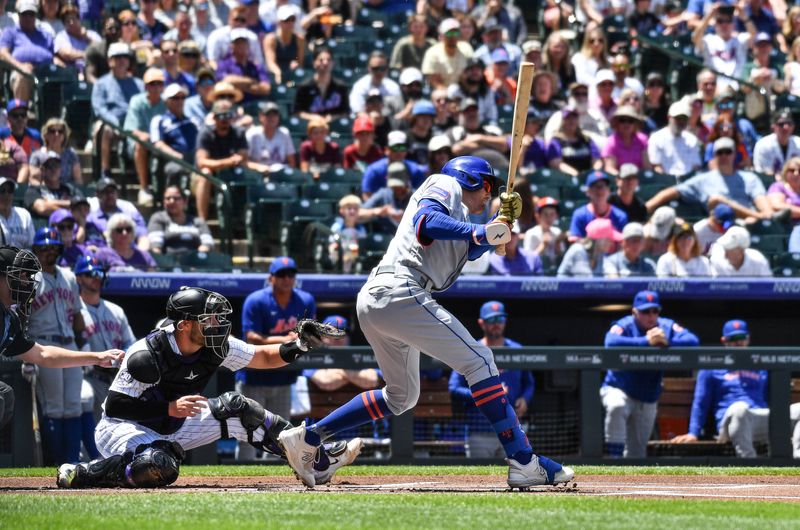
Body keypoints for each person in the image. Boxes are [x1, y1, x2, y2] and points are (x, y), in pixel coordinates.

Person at [276, 156, 574, 489]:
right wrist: (481, 232)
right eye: (488, 186)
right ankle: (523, 460)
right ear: (470, 179)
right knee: (481, 361)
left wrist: (496, 227)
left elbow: (468, 247)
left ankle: (311, 437)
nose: (489, 194)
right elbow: (426, 221)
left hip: (382, 298)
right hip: (400, 289)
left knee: (401, 397)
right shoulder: (446, 184)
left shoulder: (459, 216)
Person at [56, 286, 362, 489]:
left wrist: (300, 344)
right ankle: (83, 473)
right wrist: (168, 408)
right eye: (209, 319)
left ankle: (315, 460)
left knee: (239, 409)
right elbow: (116, 408)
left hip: (173, 424)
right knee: (159, 463)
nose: (216, 324)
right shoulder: (145, 355)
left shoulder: (215, 344)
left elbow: (263, 357)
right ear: (184, 325)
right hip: (124, 428)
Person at [0, 246, 122, 432]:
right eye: (19, 276)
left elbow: (43, 354)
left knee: (4, 396)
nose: (25, 282)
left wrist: (97, 357)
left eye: (26, 276)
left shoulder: (9, 318)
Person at [670, 319, 800, 458]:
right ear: (724, 340)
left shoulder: (759, 364)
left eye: (742, 338)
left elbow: (771, 398)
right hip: (730, 422)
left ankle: (797, 460)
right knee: (740, 408)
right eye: (733, 338)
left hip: (758, 418)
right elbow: (700, 402)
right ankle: (749, 465)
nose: (738, 343)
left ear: (748, 339)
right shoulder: (711, 366)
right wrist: (693, 433)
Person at [602, 290, 700, 458]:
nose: (651, 315)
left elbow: (693, 340)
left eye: (655, 311)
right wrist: (646, 341)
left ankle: (625, 481)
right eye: (645, 311)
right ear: (634, 312)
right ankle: (614, 458)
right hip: (619, 388)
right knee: (616, 406)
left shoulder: (666, 326)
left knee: (637, 455)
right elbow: (610, 341)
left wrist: (668, 342)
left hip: (647, 397)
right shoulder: (625, 325)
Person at [237, 257, 315, 461]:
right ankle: (241, 475)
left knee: (282, 435)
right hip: (255, 376)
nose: (287, 279)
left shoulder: (305, 300)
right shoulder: (256, 300)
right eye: (281, 274)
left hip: (283, 377)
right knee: (247, 431)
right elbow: (251, 337)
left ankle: (275, 479)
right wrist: (285, 339)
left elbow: (309, 334)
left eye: (291, 274)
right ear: (271, 278)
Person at [28, 227, 87, 465]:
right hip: (44, 344)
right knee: (54, 408)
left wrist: (85, 345)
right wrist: (27, 356)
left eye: (53, 248)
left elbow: (78, 316)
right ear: (36, 250)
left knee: (73, 406)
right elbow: (22, 318)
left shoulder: (69, 277)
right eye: (44, 248)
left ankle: (72, 463)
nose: (49, 252)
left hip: (69, 345)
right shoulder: (30, 278)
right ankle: (55, 464)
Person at [449, 301, 534, 458]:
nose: (496, 324)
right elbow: (454, 388)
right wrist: (488, 394)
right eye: (491, 320)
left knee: (519, 473)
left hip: (512, 428)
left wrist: (525, 399)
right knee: (478, 478)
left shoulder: (516, 349)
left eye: (499, 320)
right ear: (481, 323)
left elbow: (529, 383)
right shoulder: (471, 349)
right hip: (479, 429)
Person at [74, 255, 135, 456]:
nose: (96, 277)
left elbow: (131, 343)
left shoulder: (116, 311)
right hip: (88, 375)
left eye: (99, 273)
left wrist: (125, 356)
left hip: (117, 377)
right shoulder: (75, 311)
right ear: (78, 278)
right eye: (90, 274)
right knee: (85, 398)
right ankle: (83, 458)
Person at [647, 138, 777, 222]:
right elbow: (674, 191)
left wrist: (767, 213)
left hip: (748, 223)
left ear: (734, 154)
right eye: (720, 153)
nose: (724, 156)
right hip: (718, 224)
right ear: (714, 156)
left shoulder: (749, 177)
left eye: (727, 152)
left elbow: (761, 200)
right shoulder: (704, 179)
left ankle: (758, 218)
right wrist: (649, 205)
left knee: (756, 219)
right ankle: (757, 217)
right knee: (716, 200)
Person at [91, 43, 144, 181]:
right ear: (110, 61)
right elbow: (99, 108)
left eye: (125, 57)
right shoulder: (101, 83)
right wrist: (115, 124)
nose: (121, 61)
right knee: (106, 130)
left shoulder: (139, 84)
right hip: (112, 124)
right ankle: (105, 171)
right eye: (117, 57)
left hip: (134, 125)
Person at [194, 99, 251, 220]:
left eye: (228, 115)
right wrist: (228, 162)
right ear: (214, 118)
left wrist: (231, 161)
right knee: (206, 173)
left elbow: (243, 156)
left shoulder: (238, 132)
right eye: (221, 116)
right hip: (207, 176)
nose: (225, 120)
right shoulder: (205, 133)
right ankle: (202, 221)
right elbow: (202, 162)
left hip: (230, 173)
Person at [0, 0, 59, 101]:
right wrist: (20, 67)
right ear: (18, 15)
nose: (28, 17)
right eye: (24, 14)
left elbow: (54, 57)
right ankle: (21, 114)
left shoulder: (45, 35)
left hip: (46, 74)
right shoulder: (10, 32)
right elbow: (2, 54)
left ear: (36, 16)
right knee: (23, 77)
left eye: (31, 14)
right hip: (21, 72)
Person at [693, 3, 754, 92]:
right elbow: (695, 37)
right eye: (720, 21)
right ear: (715, 24)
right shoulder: (709, 40)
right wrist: (708, 16)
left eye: (728, 20)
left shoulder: (740, 39)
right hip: (713, 90)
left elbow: (754, 34)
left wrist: (744, 16)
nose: (724, 24)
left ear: (733, 24)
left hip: (738, 90)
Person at [150, 83, 199, 184]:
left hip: (195, 159)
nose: (180, 101)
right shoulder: (159, 120)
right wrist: (177, 156)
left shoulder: (193, 120)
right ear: (166, 101)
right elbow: (158, 144)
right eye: (175, 98)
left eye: (182, 98)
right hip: (173, 161)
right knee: (176, 169)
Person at [147, 186, 214, 256]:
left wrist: (199, 253)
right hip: (167, 263)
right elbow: (155, 247)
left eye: (176, 198)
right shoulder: (158, 218)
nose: (171, 201)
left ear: (185, 201)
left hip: (195, 262)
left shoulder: (198, 221)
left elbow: (208, 243)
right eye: (167, 198)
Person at [86, 178, 149, 251]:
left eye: (113, 191)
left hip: (130, 256)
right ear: (97, 194)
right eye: (105, 192)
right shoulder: (91, 218)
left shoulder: (129, 213)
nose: (110, 195)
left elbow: (143, 237)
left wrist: (140, 254)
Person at [361, 131, 427, 199]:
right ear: (386, 150)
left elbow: (422, 196)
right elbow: (367, 197)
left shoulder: (415, 170)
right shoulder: (373, 171)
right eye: (395, 147)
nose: (398, 152)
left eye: (402, 147)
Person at [293, 45, 349, 123]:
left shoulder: (340, 87)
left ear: (333, 63)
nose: (325, 63)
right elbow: (297, 112)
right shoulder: (304, 87)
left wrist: (333, 117)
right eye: (321, 60)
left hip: (335, 130)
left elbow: (346, 112)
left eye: (328, 60)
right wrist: (313, 117)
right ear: (314, 63)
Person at [24, 151, 84, 223]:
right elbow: (42, 208)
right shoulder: (33, 190)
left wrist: (51, 202)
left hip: (69, 230)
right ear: (43, 170)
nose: (53, 169)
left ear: (61, 169)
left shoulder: (70, 189)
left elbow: (82, 207)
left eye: (56, 166)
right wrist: (71, 209)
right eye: (50, 166)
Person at [568, 170, 628, 241]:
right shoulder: (580, 214)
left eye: (603, 186)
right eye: (595, 186)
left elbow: (624, 242)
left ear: (609, 191)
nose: (600, 190)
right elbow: (574, 240)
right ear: (588, 191)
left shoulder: (620, 216)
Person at [215, 29, 271, 104]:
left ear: (248, 45)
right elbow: (226, 81)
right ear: (232, 46)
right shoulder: (224, 64)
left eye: (243, 43)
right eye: (238, 43)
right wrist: (251, 81)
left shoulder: (256, 66)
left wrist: (239, 86)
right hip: (233, 104)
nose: (241, 46)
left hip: (255, 104)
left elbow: (266, 88)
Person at [648, 102, 702, 177]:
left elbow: (696, 166)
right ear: (669, 117)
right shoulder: (656, 138)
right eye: (678, 118)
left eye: (684, 119)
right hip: (666, 180)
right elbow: (656, 166)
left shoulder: (692, 139)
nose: (681, 122)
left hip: (688, 181)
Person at [546, 107, 602, 176]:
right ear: (563, 121)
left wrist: (594, 173)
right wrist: (576, 175)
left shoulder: (586, 139)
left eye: (574, 118)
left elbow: (596, 160)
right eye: (568, 118)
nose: (572, 121)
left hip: (588, 177)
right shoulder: (556, 141)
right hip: (566, 178)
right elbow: (556, 163)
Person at [421, 18, 473, 90]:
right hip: (442, 92)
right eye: (449, 33)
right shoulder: (432, 53)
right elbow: (433, 80)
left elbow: (471, 73)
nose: (453, 36)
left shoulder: (466, 48)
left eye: (456, 33)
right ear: (441, 35)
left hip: (463, 90)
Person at [359, 163, 412, 235]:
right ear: (387, 178)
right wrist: (379, 211)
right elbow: (358, 214)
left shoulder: (416, 196)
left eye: (400, 185)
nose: (397, 188)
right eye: (394, 186)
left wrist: (406, 217)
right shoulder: (383, 193)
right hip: (386, 240)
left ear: (407, 179)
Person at [245, 101, 296, 172]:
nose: (271, 118)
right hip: (258, 174)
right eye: (268, 114)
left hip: (279, 175)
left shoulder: (284, 133)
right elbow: (244, 161)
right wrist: (258, 167)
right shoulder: (252, 133)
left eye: (275, 115)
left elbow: (292, 162)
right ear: (261, 117)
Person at [29, 119, 82, 186]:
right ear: (46, 134)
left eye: (60, 131)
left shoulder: (71, 154)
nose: (56, 134)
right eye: (52, 131)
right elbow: (34, 179)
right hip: (44, 192)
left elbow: (78, 180)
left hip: (67, 193)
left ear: (64, 135)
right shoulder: (37, 155)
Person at [602, 105, 651, 175]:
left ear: (635, 124)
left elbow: (647, 166)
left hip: (640, 179)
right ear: (617, 124)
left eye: (630, 121)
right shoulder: (611, 142)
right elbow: (609, 168)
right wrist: (625, 179)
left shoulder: (642, 139)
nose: (626, 124)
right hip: (619, 180)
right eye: (622, 120)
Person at [263, 6, 304, 86]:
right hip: (274, 74)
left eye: (292, 20)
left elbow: (299, 58)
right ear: (279, 22)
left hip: (291, 74)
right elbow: (270, 62)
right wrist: (278, 73)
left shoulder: (299, 39)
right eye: (286, 20)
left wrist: (296, 62)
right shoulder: (271, 39)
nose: (290, 23)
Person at [350, 51, 402, 115]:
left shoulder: (393, 87)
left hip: (388, 122)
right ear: (368, 68)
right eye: (375, 69)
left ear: (387, 68)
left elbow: (397, 111)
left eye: (382, 68)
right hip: (365, 122)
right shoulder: (360, 86)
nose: (379, 72)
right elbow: (358, 111)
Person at [753, 110, 800, 177]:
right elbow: (763, 172)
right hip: (770, 184)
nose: (785, 127)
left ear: (793, 126)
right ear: (773, 127)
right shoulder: (763, 145)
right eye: (781, 124)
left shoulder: (798, 143)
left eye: (789, 123)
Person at [523, 197, 565, 262]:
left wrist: (558, 244)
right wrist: (543, 245)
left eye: (552, 214)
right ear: (538, 216)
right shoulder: (531, 233)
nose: (549, 218)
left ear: (556, 216)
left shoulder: (557, 232)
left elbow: (561, 258)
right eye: (545, 214)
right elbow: (528, 260)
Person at [0, 177, 34, 249]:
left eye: (10, 191)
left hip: (23, 258)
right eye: (2, 191)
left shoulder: (24, 215)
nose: (6, 195)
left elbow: (32, 245)